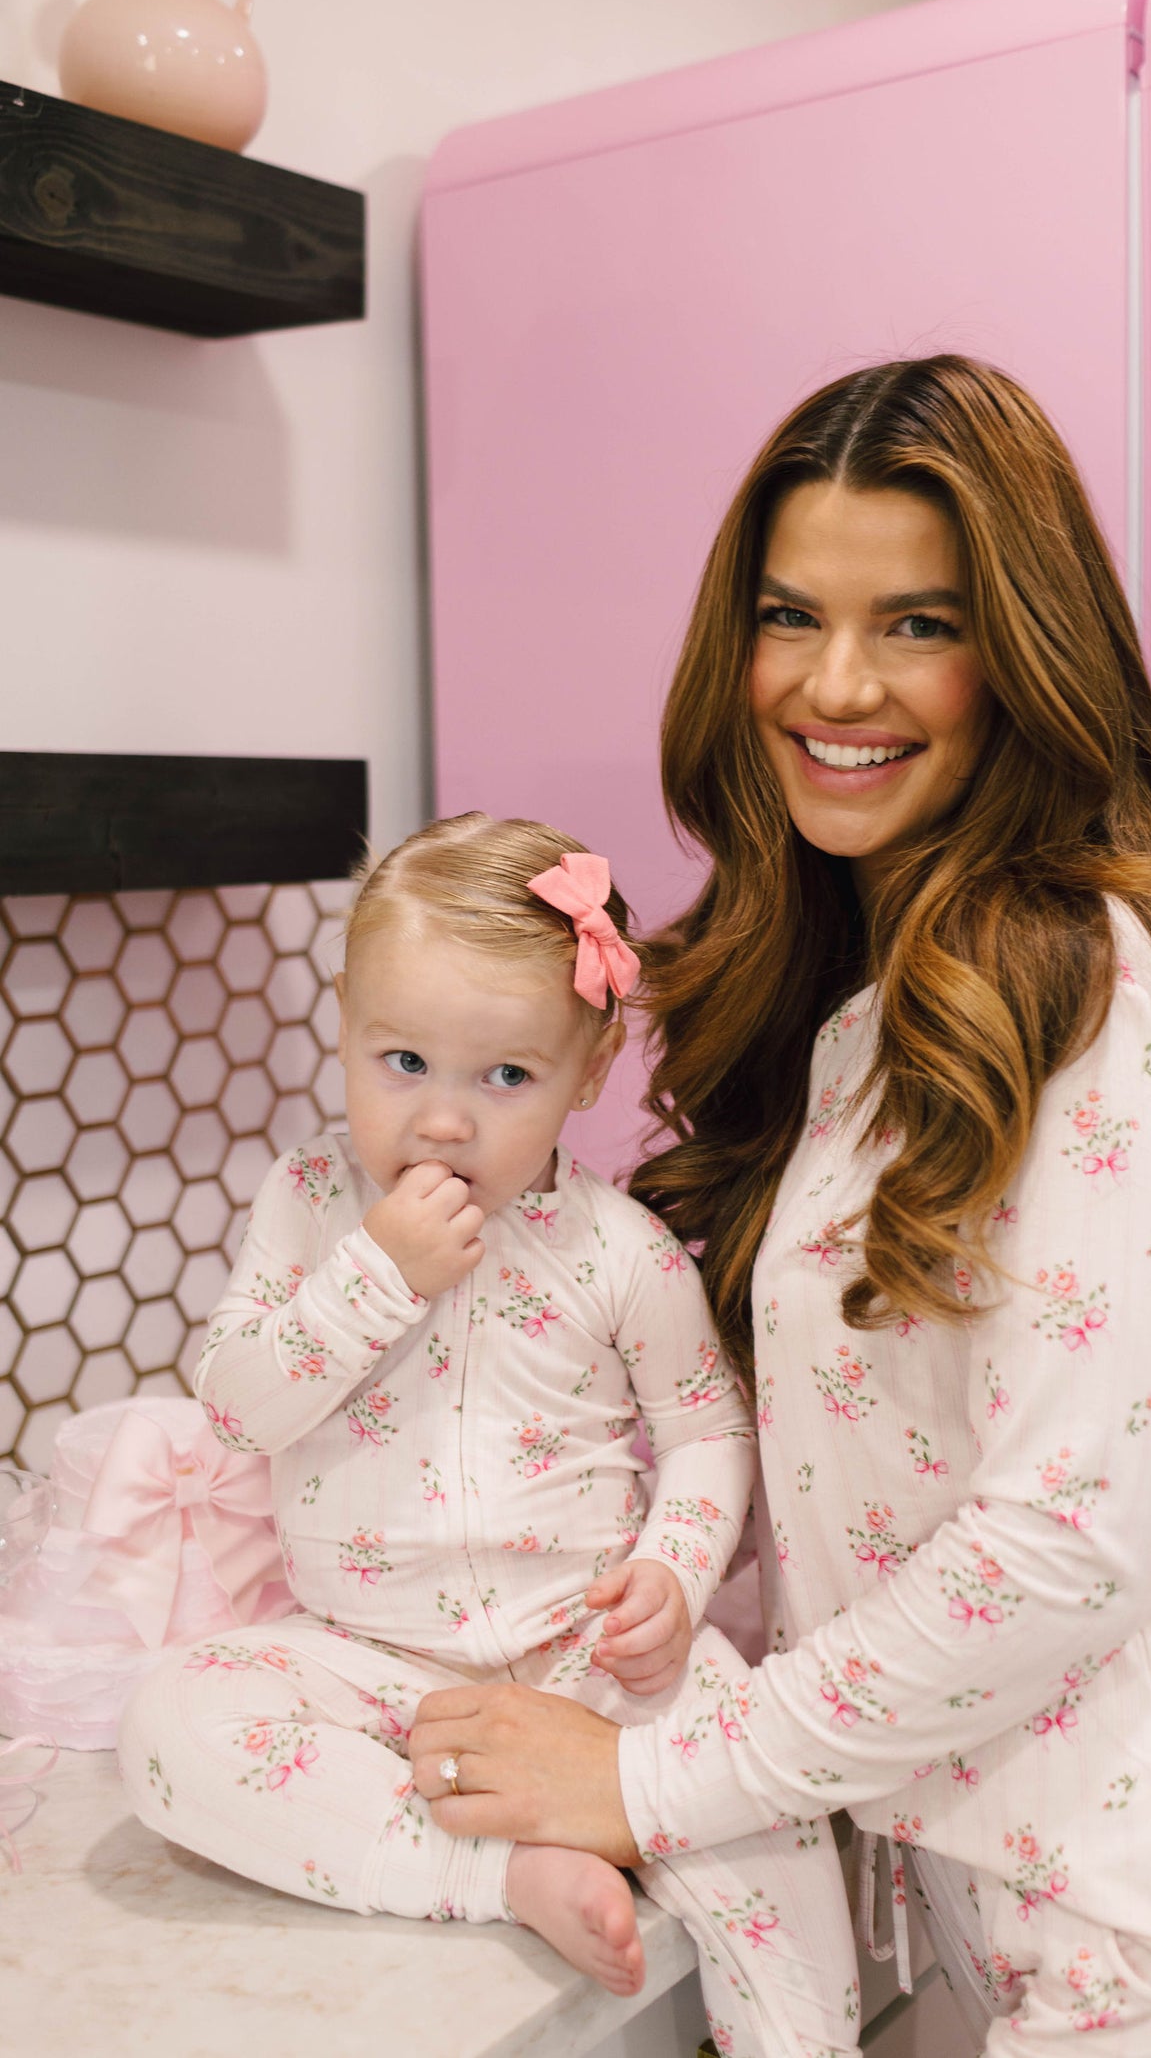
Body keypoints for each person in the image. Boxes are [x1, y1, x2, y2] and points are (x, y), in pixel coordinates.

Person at [405, 360, 1151, 2055]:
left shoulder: (1081, 978)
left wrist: (648, 1776)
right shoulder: (873, 993)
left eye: (918, 624)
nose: (834, 682)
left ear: (1020, 653)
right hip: (1079, 1941)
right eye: (793, 614)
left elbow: (1058, 1544)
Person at [117, 815, 862, 2058]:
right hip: (368, 1665)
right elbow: (239, 1403)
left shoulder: (612, 1246)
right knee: (175, 1723)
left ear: (585, 1071)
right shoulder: (308, 1206)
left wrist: (673, 1575)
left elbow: (704, 1428)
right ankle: (493, 1871)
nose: (445, 1122)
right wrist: (372, 1279)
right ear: (344, 1018)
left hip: (583, 1657)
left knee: (757, 1787)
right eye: (401, 1060)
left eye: (504, 1077)